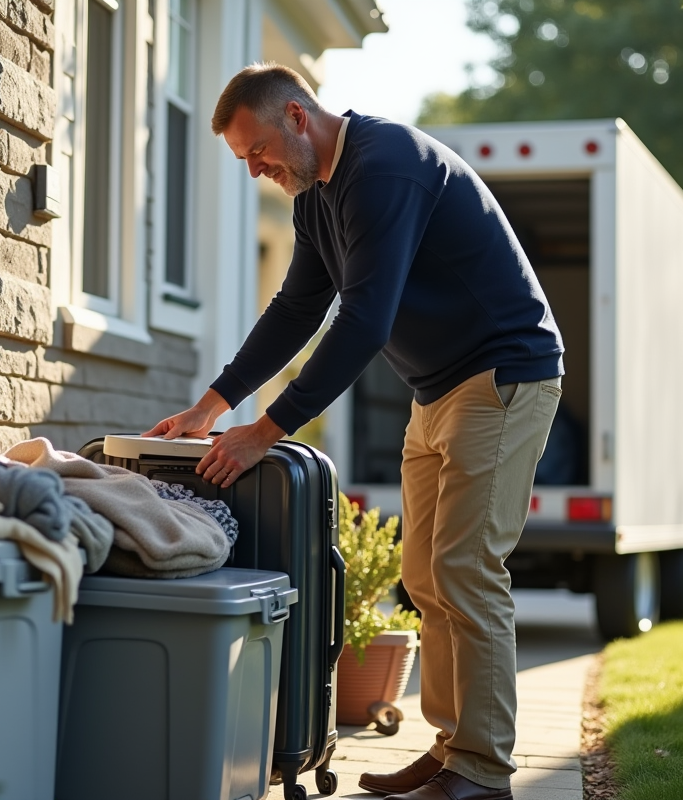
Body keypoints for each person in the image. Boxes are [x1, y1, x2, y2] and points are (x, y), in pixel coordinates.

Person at [144, 63, 563, 800]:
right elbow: (296, 311)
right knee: (427, 578)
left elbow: (363, 320)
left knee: (467, 571)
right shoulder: (316, 199)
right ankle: (453, 748)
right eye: (244, 160)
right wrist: (215, 405)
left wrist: (264, 432)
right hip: (438, 391)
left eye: (258, 152)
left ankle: (484, 773)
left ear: (298, 117)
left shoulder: (385, 168)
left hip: (503, 376)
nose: (255, 171)